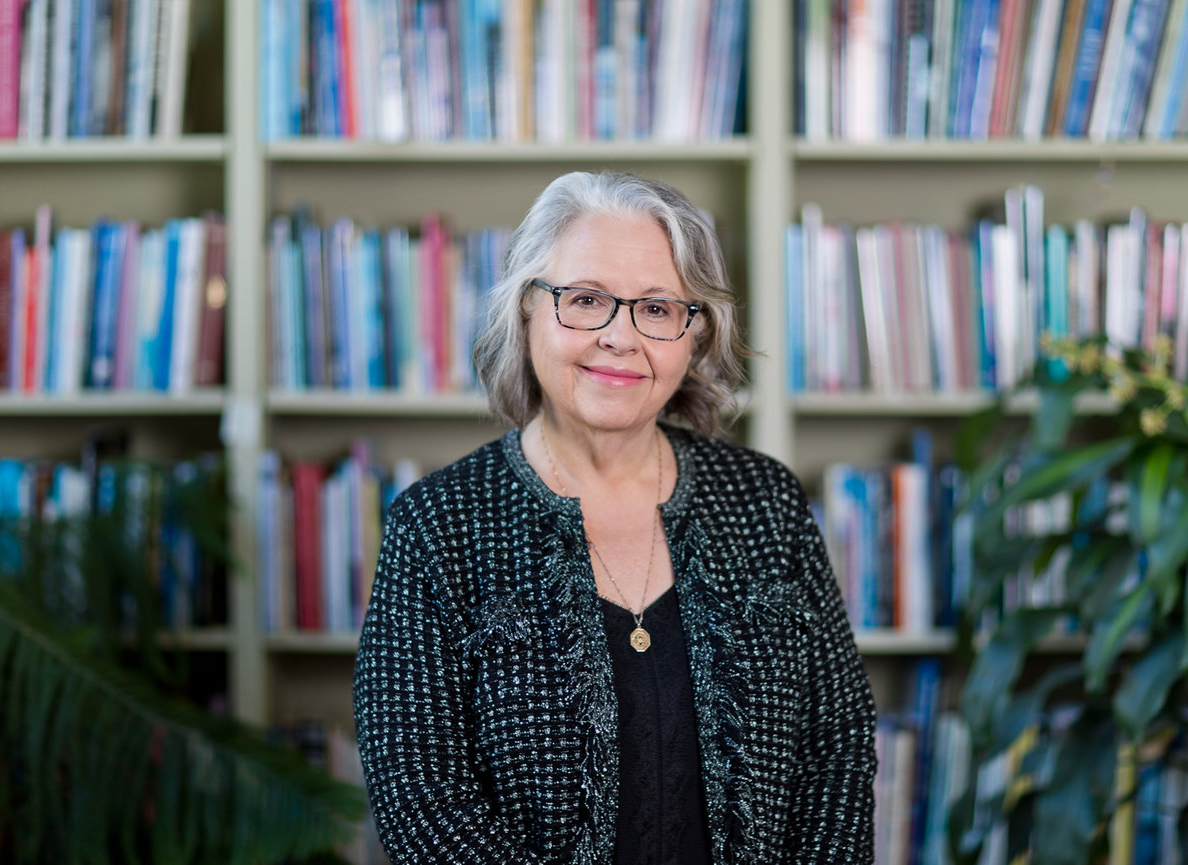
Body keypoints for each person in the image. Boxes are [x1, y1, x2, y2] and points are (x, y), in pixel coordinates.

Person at [352, 170, 876, 864]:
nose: (620, 337)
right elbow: (422, 798)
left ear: (695, 335)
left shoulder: (766, 501)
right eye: (587, 299)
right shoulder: (437, 523)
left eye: (658, 309)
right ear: (527, 310)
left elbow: (836, 747)